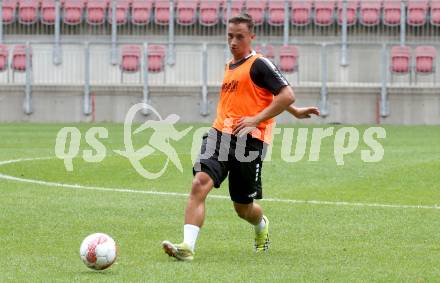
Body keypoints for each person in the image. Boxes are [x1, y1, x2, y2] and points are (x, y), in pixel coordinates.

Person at [162, 13, 320, 261]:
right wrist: (294, 112)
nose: (233, 42)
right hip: (220, 134)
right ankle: (187, 247)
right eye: (230, 36)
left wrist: (260, 118)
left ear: (251, 37)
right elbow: (264, 94)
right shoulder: (230, 65)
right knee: (199, 183)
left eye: (239, 37)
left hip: (251, 142)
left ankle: (261, 224)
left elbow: (285, 94)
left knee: (243, 209)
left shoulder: (259, 64)